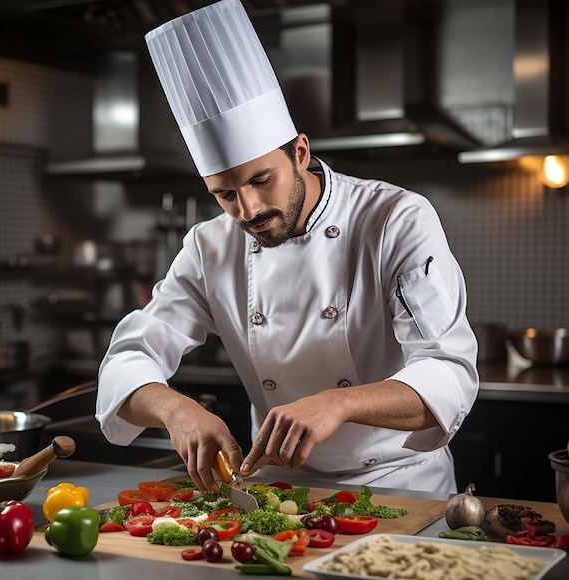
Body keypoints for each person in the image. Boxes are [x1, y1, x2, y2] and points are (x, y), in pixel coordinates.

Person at [96, 0, 479, 495]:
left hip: (399, 484)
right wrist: (177, 410)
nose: (248, 209)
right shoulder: (210, 245)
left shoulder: (394, 219)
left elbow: (448, 374)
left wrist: (338, 404)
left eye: (261, 180)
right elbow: (128, 358)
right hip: (275, 489)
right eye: (225, 193)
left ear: (300, 152)